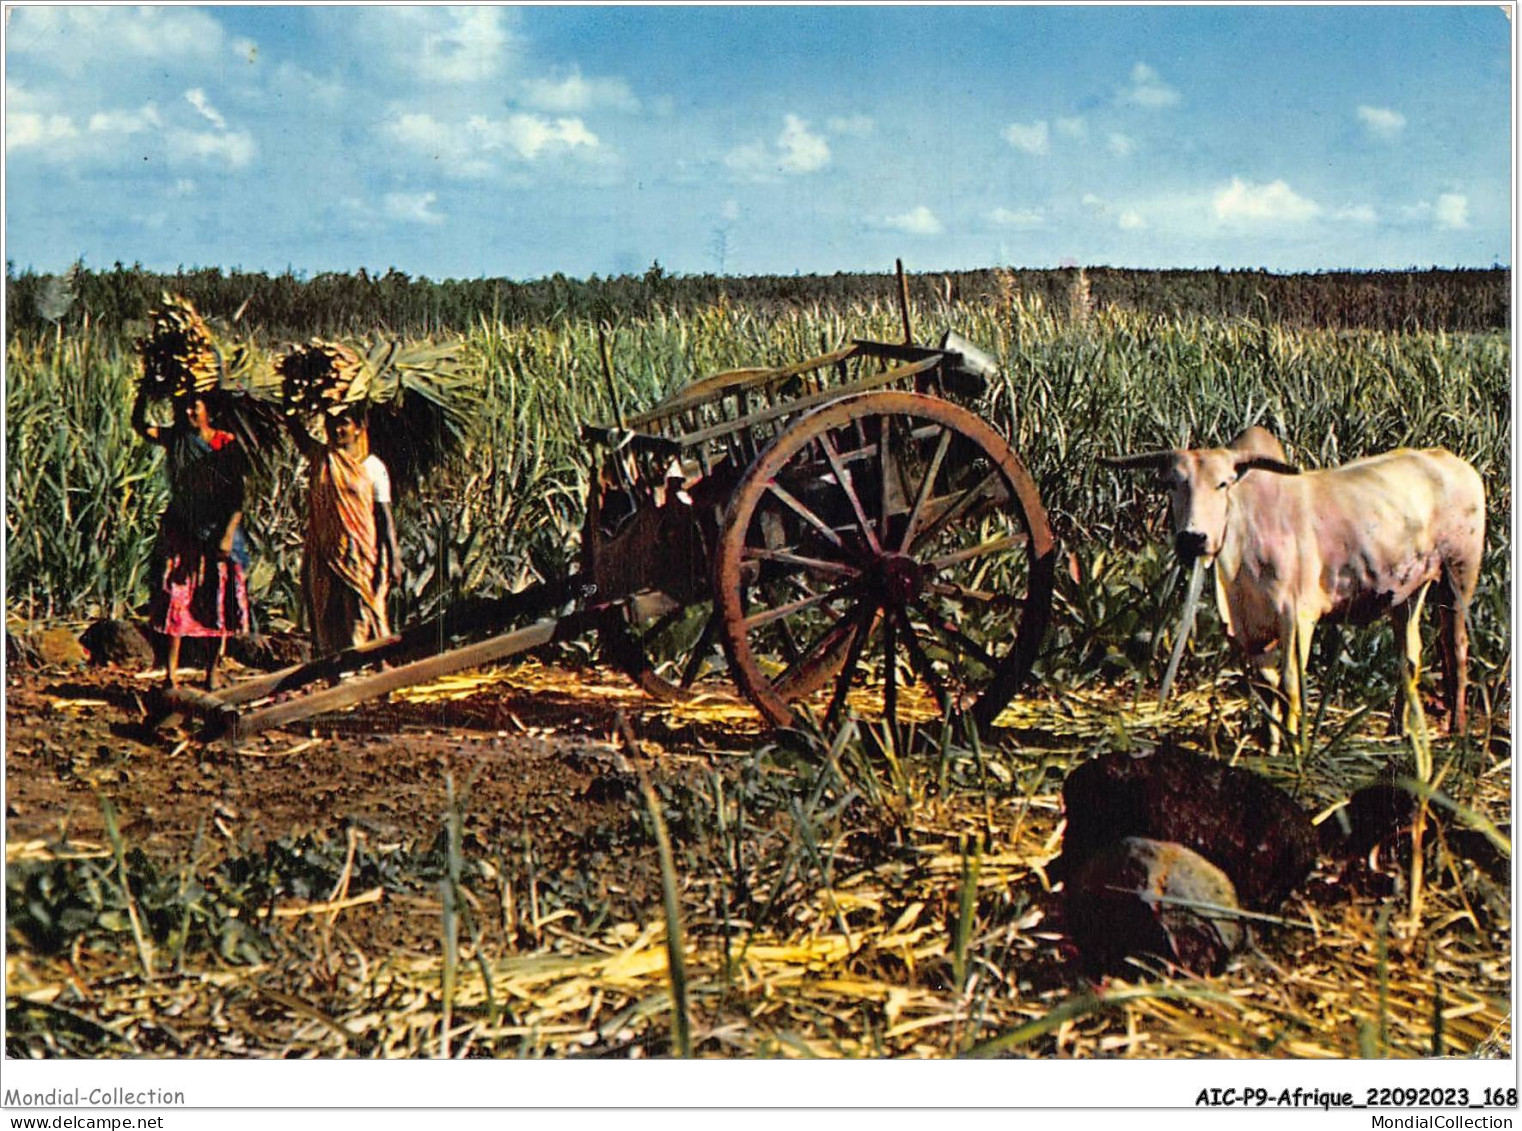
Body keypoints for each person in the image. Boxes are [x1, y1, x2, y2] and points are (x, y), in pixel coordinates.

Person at [132, 388, 251, 690]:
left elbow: (238, 496)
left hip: (217, 531)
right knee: (176, 597)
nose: (188, 413)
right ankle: (170, 675)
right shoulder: (176, 439)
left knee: (217, 601)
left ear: (208, 409)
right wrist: (145, 388)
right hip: (182, 529)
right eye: (183, 407)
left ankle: (212, 672)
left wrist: (226, 537)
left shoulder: (226, 444)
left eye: (193, 407)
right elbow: (140, 426)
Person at [288, 404, 402, 654]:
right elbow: (297, 434)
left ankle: (377, 671)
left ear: (360, 428)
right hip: (324, 552)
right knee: (328, 613)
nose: (336, 429)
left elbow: (384, 516)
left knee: (362, 612)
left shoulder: (372, 467)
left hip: (359, 553)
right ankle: (337, 678)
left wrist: (393, 558)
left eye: (344, 423)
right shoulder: (322, 458)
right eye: (331, 422)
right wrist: (288, 403)